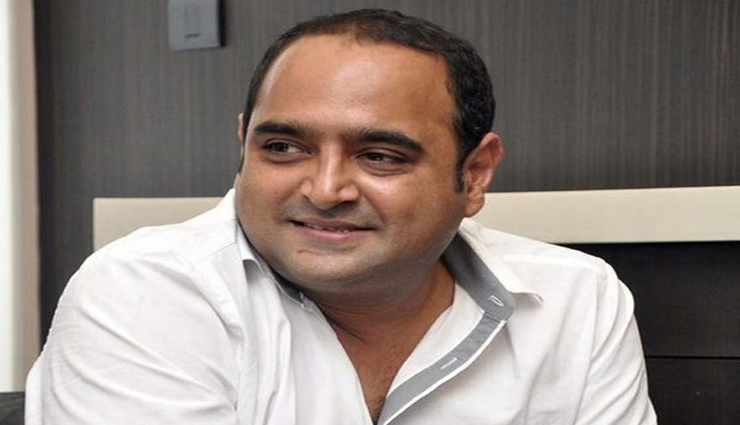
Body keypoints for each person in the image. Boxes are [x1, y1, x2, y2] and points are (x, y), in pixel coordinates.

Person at [25, 8, 656, 425]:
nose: (325, 189)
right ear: (243, 144)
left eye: (380, 156)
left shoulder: (576, 299)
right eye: (283, 147)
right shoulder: (143, 289)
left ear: (475, 173)